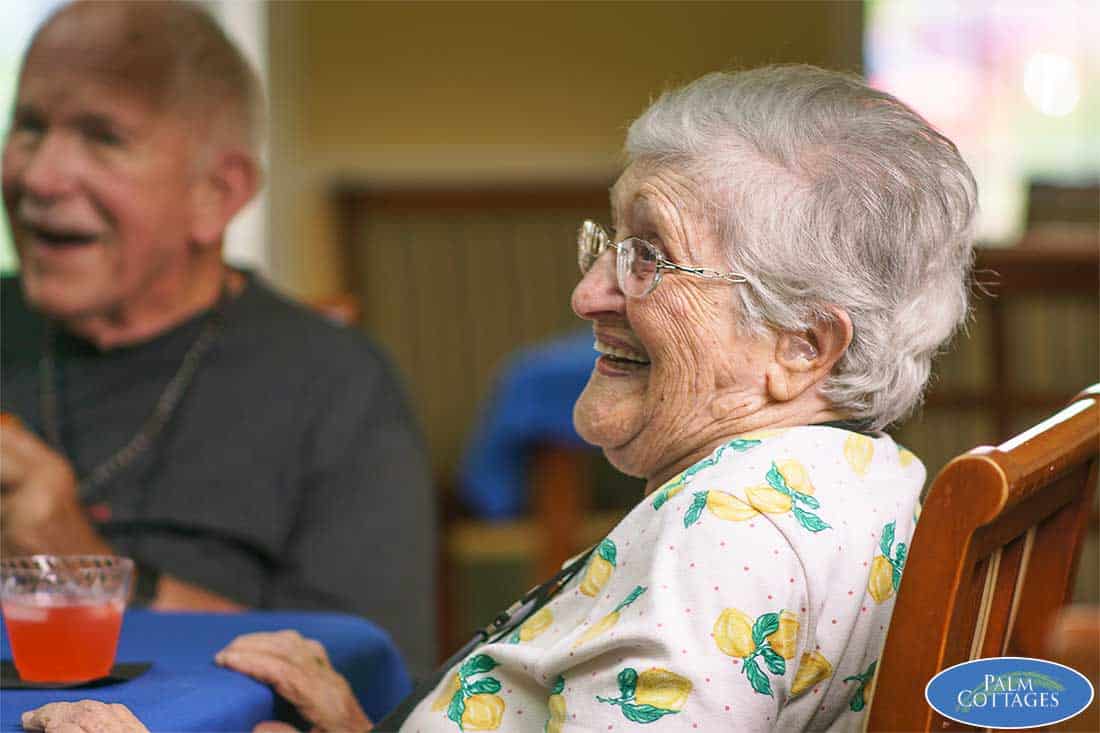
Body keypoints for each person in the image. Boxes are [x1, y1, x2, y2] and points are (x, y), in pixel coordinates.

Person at [20, 65, 976, 732]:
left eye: (649, 255)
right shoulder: (872, 472)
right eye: (607, 243)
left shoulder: (723, 539)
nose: (590, 292)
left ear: (801, 346)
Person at [0, 0, 437, 677]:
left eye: (102, 137)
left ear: (217, 192)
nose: (39, 177)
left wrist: (79, 566)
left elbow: (365, 681)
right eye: (29, 127)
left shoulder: (338, 384)